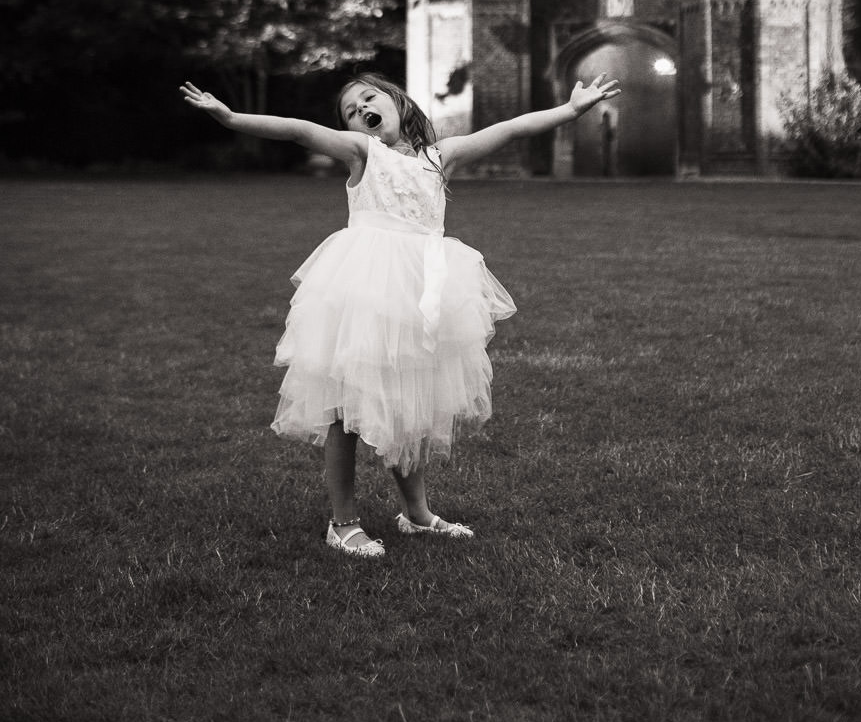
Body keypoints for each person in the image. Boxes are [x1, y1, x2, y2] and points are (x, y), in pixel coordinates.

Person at [180, 70, 620, 559]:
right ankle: (342, 523)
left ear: (396, 102)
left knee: (409, 406)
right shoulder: (362, 153)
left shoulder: (439, 157)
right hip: (366, 292)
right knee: (346, 412)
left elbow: (511, 128)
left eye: (369, 98)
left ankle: (417, 514)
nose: (360, 109)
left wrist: (571, 110)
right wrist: (230, 116)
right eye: (350, 110)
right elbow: (299, 129)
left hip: (421, 293)